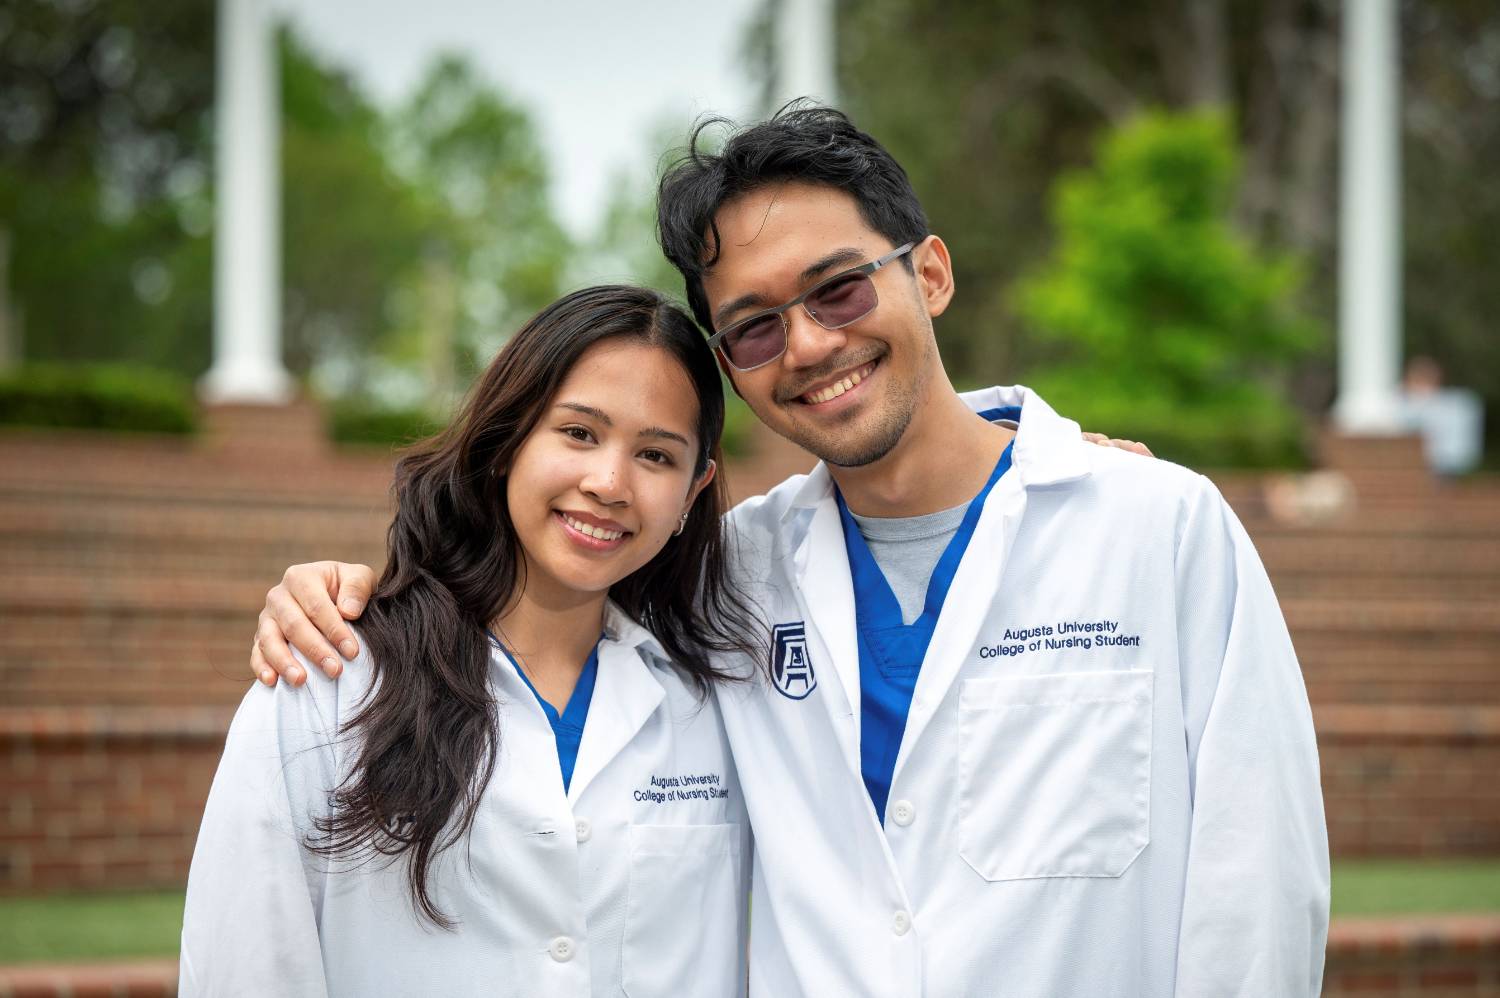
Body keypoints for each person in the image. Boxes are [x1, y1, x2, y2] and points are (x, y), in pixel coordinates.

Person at [250, 105, 1329, 996]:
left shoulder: (1158, 529)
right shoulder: (738, 572)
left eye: (839, 287)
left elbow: (1256, 895)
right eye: (755, 326)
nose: (808, 344)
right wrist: (348, 590)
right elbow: (550, 562)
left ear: (933, 274)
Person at [180, 287, 759, 997]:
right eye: (578, 433)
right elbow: (246, 968)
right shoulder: (328, 683)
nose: (609, 483)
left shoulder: (723, 705)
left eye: (656, 456)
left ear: (694, 492)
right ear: (507, 440)